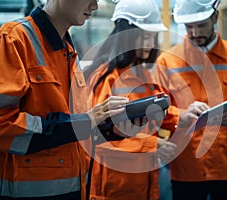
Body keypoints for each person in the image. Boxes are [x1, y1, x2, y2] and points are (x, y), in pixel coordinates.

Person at [0, 0, 134, 199]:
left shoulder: (68, 50)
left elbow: (73, 130)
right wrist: (85, 121)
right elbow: (1, 126)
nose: (95, 6)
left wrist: (110, 130)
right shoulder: (13, 40)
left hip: (74, 189)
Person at [152, 0, 227, 199]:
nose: (195, 33)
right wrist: (182, 116)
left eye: (201, 25)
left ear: (215, 17)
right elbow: (155, 111)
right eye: (189, 27)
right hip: (187, 165)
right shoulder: (168, 60)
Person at [84, 0, 177, 199]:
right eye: (142, 37)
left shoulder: (142, 75)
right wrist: (152, 146)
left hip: (141, 183)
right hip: (114, 186)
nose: (149, 44)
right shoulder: (106, 78)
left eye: (152, 38)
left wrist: (180, 117)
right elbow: (98, 137)